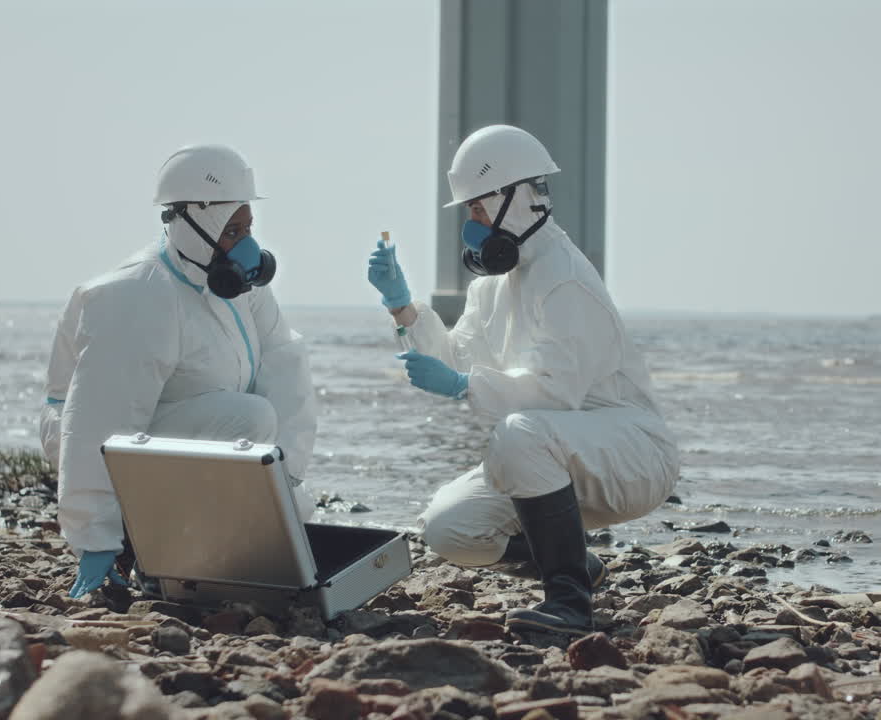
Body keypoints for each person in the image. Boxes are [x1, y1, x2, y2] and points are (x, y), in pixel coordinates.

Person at [366, 125, 680, 636]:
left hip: (631, 455)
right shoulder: (494, 288)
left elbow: (553, 392)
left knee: (518, 431)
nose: (471, 223)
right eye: (467, 211)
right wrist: (401, 306)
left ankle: (569, 605)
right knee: (449, 528)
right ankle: (577, 562)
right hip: (552, 454)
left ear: (513, 201)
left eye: (477, 208)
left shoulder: (565, 280)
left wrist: (462, 385)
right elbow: (454, 354)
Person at [40, 144, 318, 599]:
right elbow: (97, 420)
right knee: (248, 418)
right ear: (191, 222)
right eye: (231, 231)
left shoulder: (236, 286)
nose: (246, 244)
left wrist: (284, 486)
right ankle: (143, 547)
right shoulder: (139, 295)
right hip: (98, 436)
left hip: (171, 431)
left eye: (248, 227)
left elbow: (287, 370)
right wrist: (96, 537)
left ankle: (197, 552)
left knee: (286, 484)